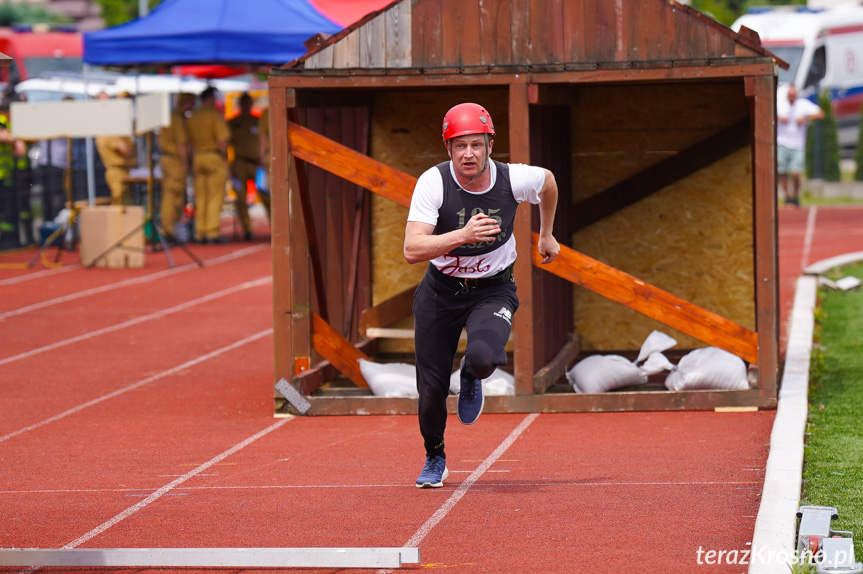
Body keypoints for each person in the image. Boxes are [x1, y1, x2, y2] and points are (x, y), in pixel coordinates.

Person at [403, 102, 560, 488]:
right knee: (431, 390)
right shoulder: (433, 183)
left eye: (476, 144)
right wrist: (462, 235)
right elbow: (411, 249)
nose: (468, 154)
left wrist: (547, 233)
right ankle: (435, 456)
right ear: (448, 149)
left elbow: (549, 183)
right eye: (460, 146)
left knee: (486, 357)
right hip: (439, 293)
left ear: (491, 144)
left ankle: (471, 375)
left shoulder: (515, 179)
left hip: (493, 288)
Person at [187, 87, 230, 243]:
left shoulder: (193, 117)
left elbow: (188, 143)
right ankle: (211, 232)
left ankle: (200, 231)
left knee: (201, 197)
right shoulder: (215, 116)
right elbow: (222, 141)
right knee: (215, 196)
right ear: (211, 98)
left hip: (198, 157)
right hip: (213, 156)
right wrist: (225, 158)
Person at [777, 85, 824, 207]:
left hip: (798, 144)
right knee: (782, 171)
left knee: (796, 173)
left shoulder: (803, 104)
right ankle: (787, 197)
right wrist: (779, 118)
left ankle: (795, 197)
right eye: (790, 95)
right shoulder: (779, 104)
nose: (792, 97)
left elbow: (820, 113)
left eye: (793, 95)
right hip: (782, 142)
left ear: (796, 95)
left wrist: (806, 118)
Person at [159, 92, 195, 238]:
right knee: (173, 195)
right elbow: (182, 144)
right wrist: (185, 163)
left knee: (171, 193)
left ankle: (169, 227)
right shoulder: (177, 119)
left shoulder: (169, 117)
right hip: (175, 160)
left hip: (167, 158)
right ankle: (167, 228)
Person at [95, 92, 136, 205]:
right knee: (120, 204)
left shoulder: (112, 128)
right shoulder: (109, 130)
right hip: (117, 171)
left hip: (122, 170)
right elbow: (125, 150)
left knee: (124, 203)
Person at [228, 92, 259, 240]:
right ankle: (247, 229)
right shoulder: (233, 123)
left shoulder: (257, 121)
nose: (246, 106)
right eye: (243, 103)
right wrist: (230, 166)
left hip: (257, 164)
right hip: (240, 162)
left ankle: (276, 226)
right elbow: (225, 143)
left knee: (267, 194)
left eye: (248, 103)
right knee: (240, 197)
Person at [257, 106, 271, 220]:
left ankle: (277, 223)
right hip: (291, 152)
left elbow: (262, 138)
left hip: (272, 156)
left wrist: (261, 158)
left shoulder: (267, 113)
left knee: (271, 190)